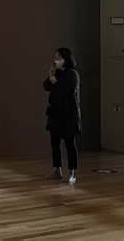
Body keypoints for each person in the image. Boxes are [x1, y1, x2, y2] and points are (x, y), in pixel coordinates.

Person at [43, 48, 81, 184]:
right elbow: (46, 86)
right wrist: (51, 77)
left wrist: (55, 82)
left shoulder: (72, 74)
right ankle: (57, 169)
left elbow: (68, 91)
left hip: (69, 115)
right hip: (55, 114)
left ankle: (71, 172)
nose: (56, 60)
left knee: (70, 143)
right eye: (56, 57)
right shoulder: (57, 73)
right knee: (55, 143)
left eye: (59, 57)